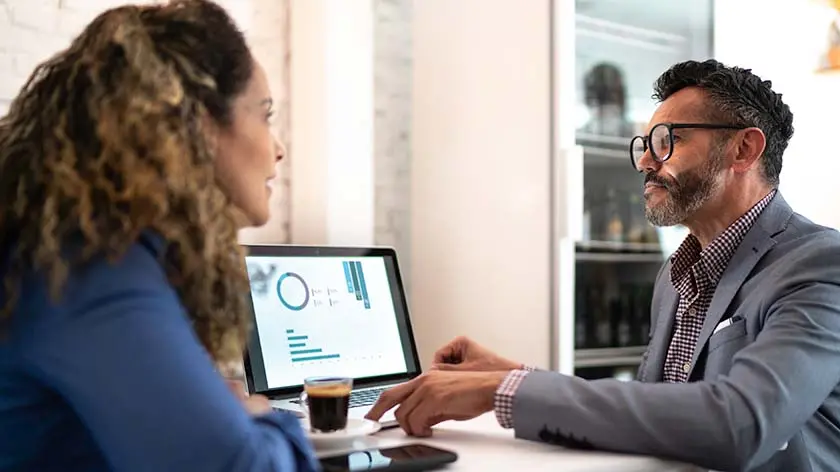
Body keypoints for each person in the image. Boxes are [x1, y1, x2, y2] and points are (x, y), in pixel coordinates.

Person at [366, 59, 840, 472]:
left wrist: (507, 388)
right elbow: (655, 413)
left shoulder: (819, 264)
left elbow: (740, 423)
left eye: (667, 139)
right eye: (645, 143)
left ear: (744, 149)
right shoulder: (676, 274)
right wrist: (514, 373)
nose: (645, 162)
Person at [0, 1, 319, 471]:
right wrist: (263, 419)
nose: (279, 148)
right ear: (201, 124)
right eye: (265, 115)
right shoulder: (93, 267)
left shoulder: (82, 247)